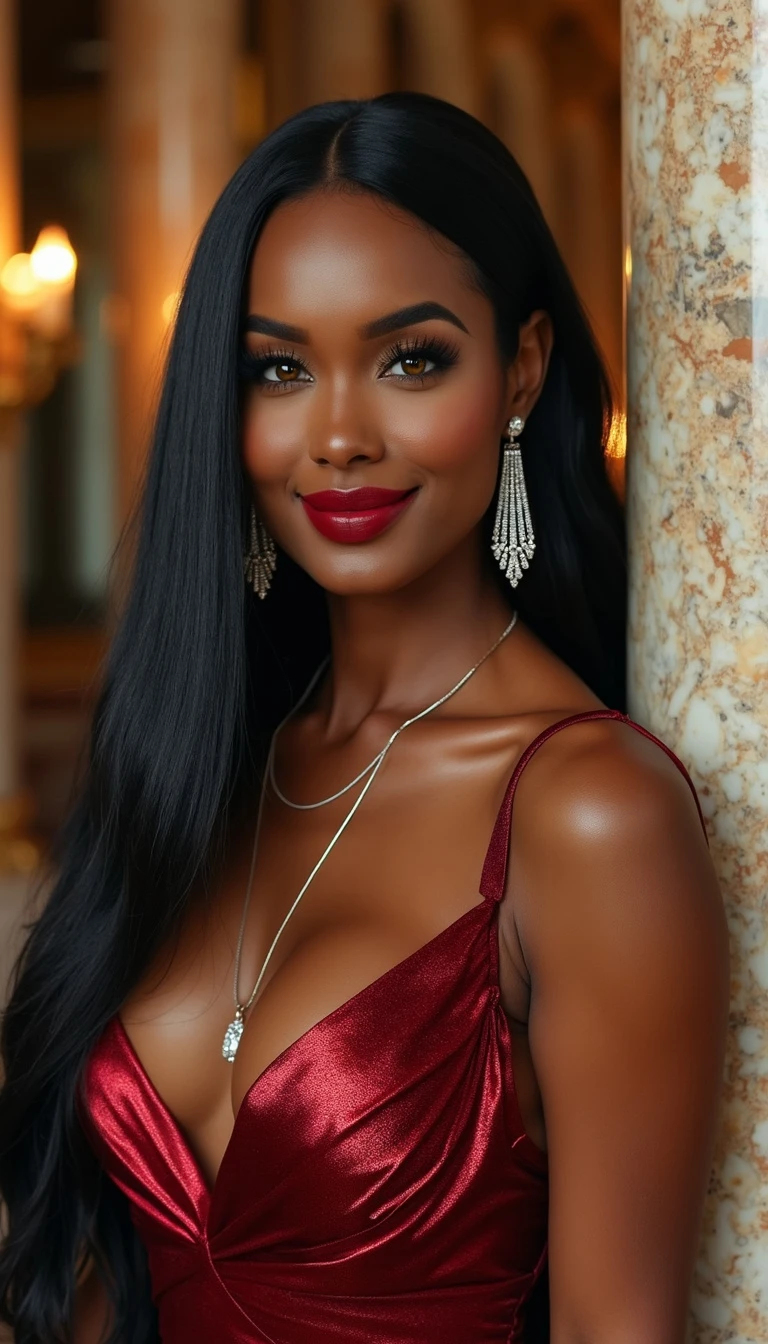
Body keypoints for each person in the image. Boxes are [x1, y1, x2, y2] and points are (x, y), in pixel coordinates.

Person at [0, 92, 728, 1344]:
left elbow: (622, 1327)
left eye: (412, 359)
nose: (337, 435)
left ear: (524, 371)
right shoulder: (209, 767)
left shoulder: (587, 813)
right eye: (278, 369)